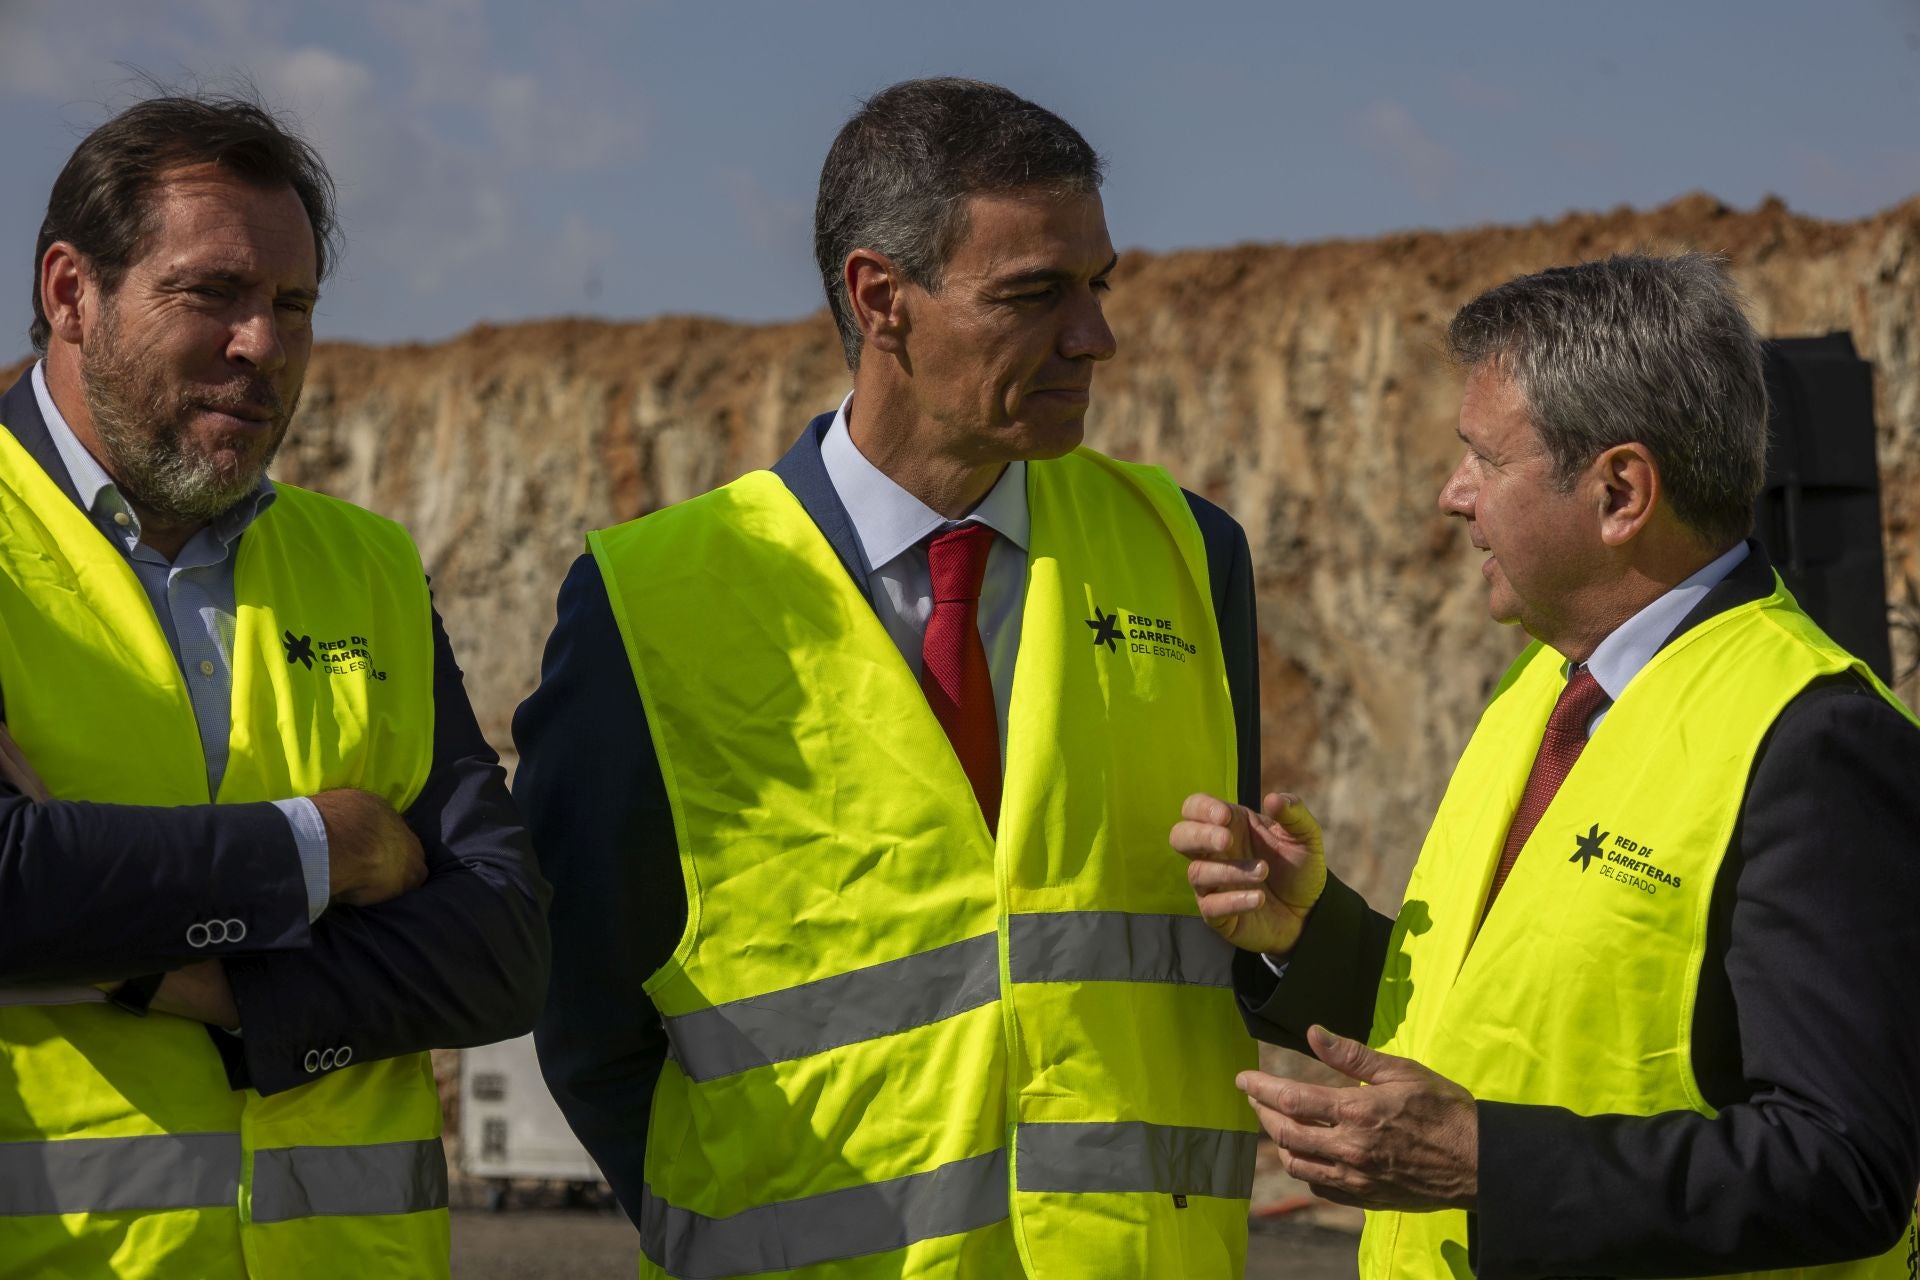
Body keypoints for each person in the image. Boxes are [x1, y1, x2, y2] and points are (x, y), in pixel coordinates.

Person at [517, 77, 1265, 1279]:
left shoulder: (1189, 552)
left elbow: (1223, 934)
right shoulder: (649, 598)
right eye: (1034, 295)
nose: (1095, 337)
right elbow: (586, 1001)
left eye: (1098, 284)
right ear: (882, 299)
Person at [1174, 253, 1920, 1278]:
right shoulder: (1543, 690)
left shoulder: (1813, 740)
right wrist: (1311, 934)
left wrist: (1488, 1159)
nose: (1452, 495)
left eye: (1484, 457)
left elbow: (1844, 1164)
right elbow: (1514, 1021)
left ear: (1621, 490)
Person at [0, 93, 549, 1278]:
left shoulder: (367, 565)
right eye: (212, 294)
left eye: (291, 304)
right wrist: (321, 851)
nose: (264, 344)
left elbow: (504, 943)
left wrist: (168, 973)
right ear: (68, 293)